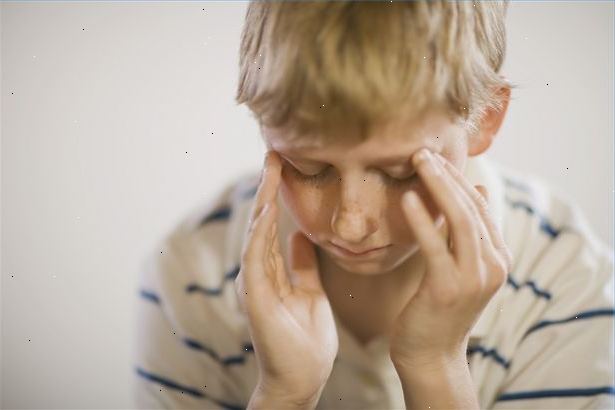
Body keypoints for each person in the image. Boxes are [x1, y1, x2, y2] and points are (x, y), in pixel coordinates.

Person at [132, 1, 614, 409]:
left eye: (401, 171)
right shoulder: (193, 273)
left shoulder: (568, 281)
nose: (351, 223)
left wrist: (436, 366)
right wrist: (283, 394)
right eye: (308, 167)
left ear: (486, 117)